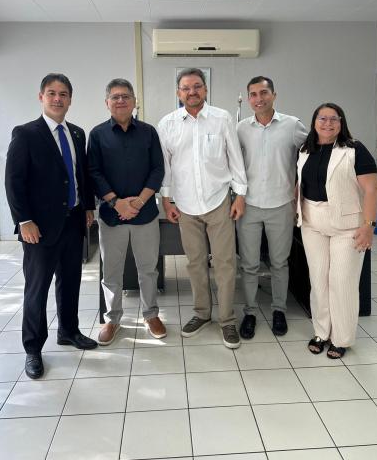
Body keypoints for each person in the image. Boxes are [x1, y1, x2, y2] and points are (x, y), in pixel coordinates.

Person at [5, 73, 97, 380]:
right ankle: (33, 348)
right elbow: (14, 181)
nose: (58, 99)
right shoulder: (26, 134)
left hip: (73, 221)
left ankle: (69, 331)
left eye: (63, 94)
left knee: (70, 281)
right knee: (37, 288)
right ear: (41, 97)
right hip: (39, 227)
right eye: (52, 93)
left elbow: (81, 175)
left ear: (70, 99)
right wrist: (24, 221)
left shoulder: (77, 133)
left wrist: (87, 207)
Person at [158, 68, 247, 349]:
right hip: (185, 205)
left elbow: (235, 158)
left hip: (218, 201)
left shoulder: (222, 118)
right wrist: (166, 200)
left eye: (197, 86)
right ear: (178, 93)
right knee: (195, 263)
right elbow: (166, 166)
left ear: (205, 90)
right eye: (186, 88)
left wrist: (240, 195)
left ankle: (227, 319)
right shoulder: (168, 124)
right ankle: (202, 313)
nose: (192, 92)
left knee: (225, 263)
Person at [296, 102, 377, 359]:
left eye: (334, 119)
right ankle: (321, 332)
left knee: (342, 282)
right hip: (313, 222)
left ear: (341, 123)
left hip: (348, 226)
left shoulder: (354, 149)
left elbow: (372, 189)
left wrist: (369, 226)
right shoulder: (304, 149)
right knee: (319, 280)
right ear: (314, 122)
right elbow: (300, 184)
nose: (328, 123)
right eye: (322, 118)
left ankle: (341, 338)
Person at [87, 78, 166, 344]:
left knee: (148, 269)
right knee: (111, 271)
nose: (120, 101)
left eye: (125, 96)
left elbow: (158, 169)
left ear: (134, 101)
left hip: (145, 215)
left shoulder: (148, 132)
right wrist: (116, 202)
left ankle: (151, 315)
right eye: (115, 97)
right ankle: (112, 319)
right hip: (111, 216)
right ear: (107, 102)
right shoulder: (97, 134)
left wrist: (139, 202)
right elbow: (93, 172)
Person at [236, 76, 307, 339]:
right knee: (249, 264)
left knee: (279, 262)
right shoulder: (241, 129)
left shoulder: (292, 125)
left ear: (274, 95)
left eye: (264, 93)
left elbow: (312, 154)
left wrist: (300, 187)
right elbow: (233, 164)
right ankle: (250, 312)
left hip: (281, 204)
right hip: (249, 205)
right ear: (248, 98)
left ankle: (279, 310)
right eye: (253, 94)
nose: (259, 99)